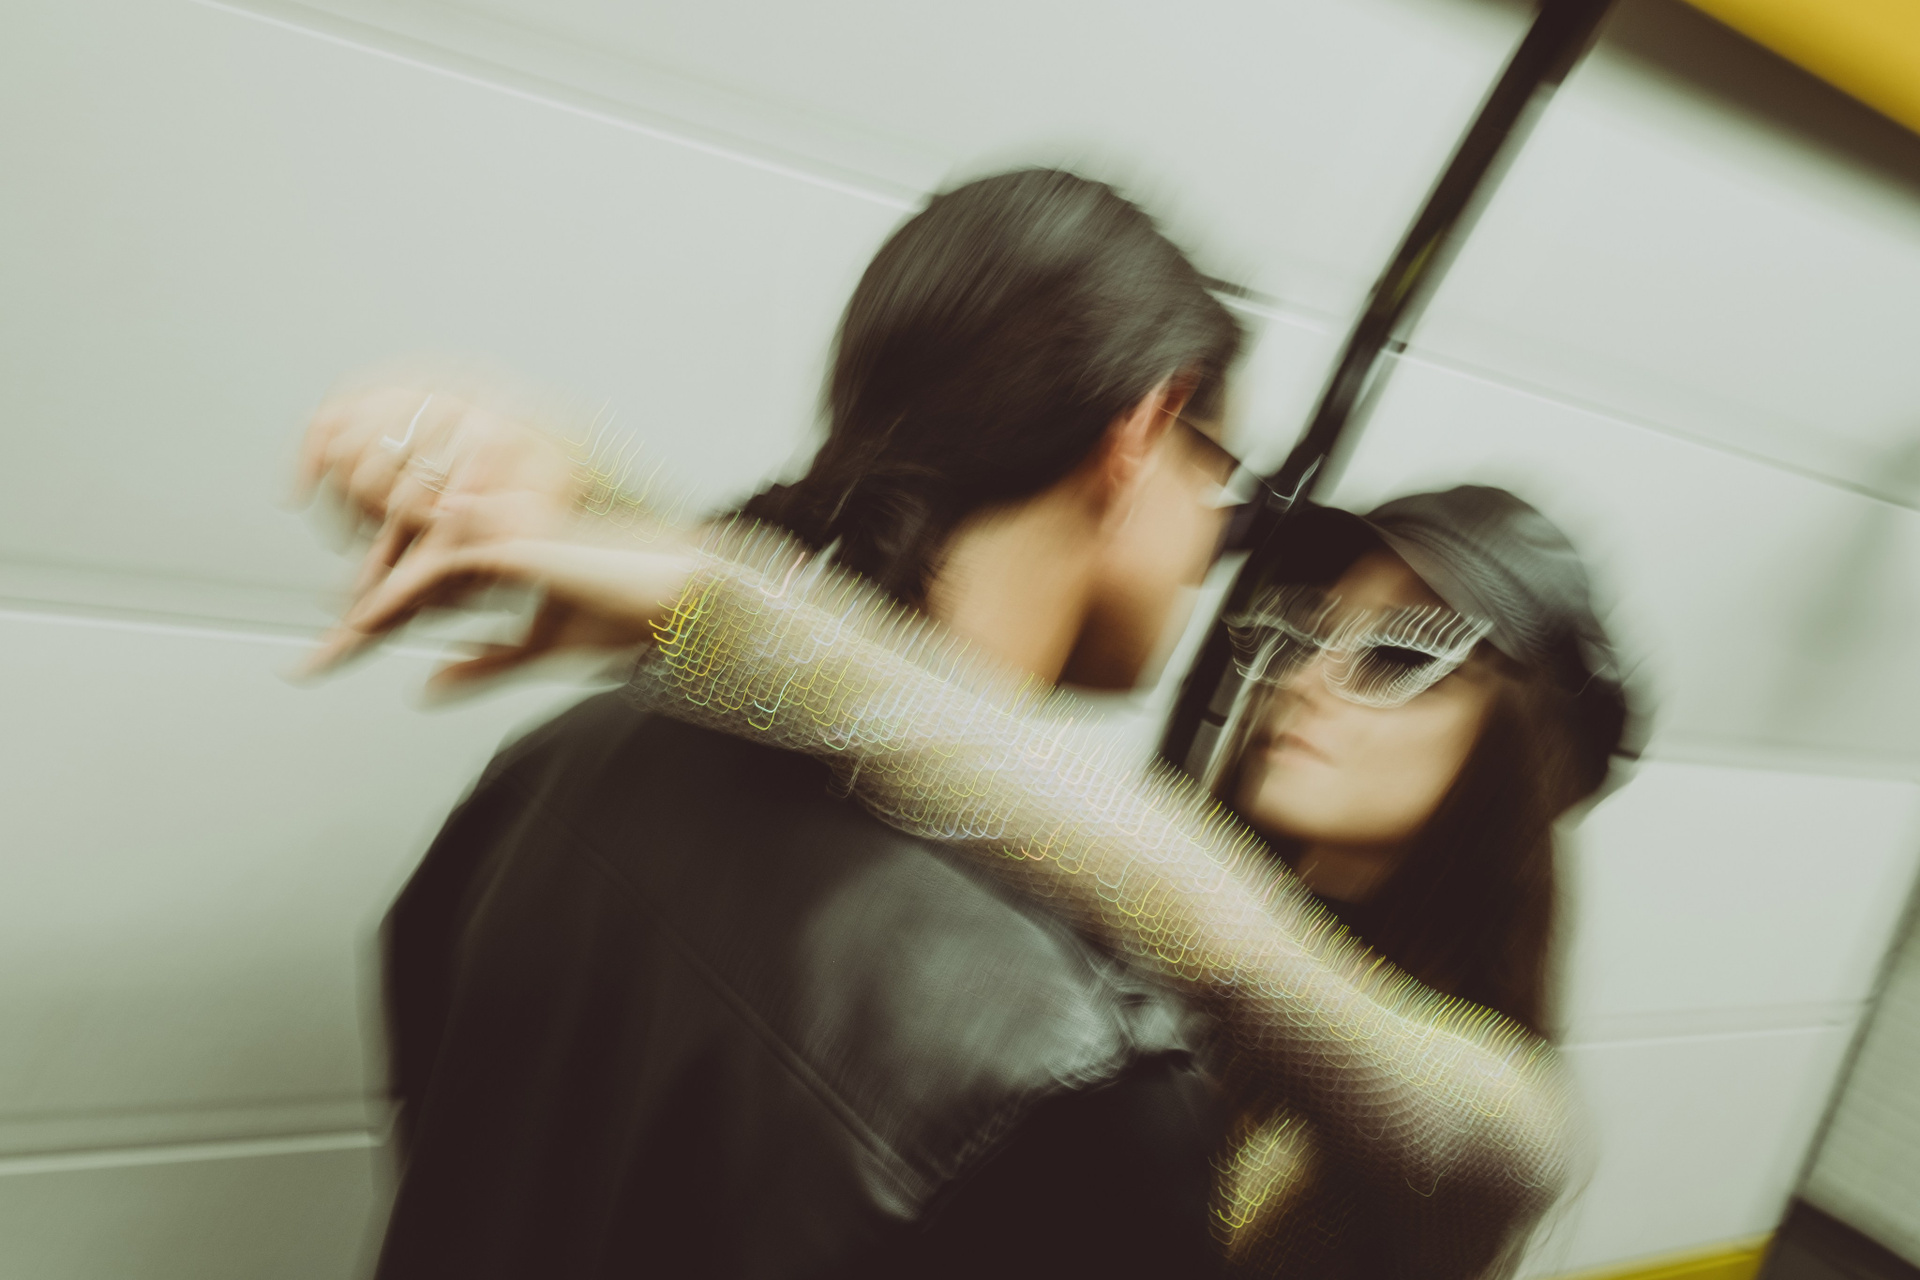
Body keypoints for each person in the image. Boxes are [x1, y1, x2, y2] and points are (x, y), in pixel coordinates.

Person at [302, 219, 1632, 1277]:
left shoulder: (1483, 1111)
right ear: (1143, 435)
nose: (1302, 676)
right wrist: (641, 546)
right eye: (1293, 626)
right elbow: (1011, 793)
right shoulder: (1077, 1014)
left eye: (1405, 653)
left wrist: (683, 571)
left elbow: (1162, 889)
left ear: (1524, 750)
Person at [309, 168, 1250, 1279]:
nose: (1211, 551)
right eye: (1219, 482)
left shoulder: (557, 763)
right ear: (1145, 428)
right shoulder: (1076, 1068)